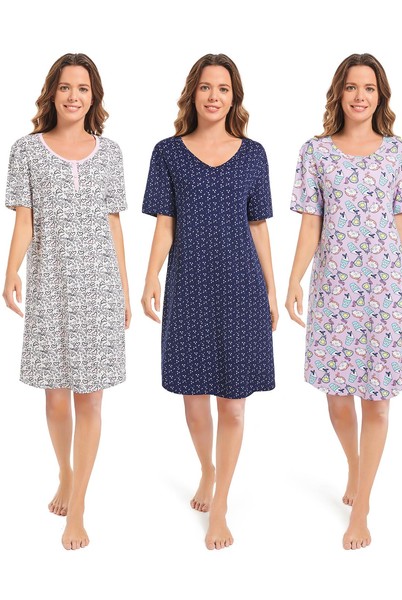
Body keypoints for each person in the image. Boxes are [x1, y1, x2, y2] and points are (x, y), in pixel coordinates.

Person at [286, 53, 402, 550]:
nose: (360, 96)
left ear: (380, 95)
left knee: (378, 403)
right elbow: (311, 222)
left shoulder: (399, 153)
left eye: (369, 88)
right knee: (338, 398)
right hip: (335, 290)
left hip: (387, 291)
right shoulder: (316, 152)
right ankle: (355, 464)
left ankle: (362, 505)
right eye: (351, 87)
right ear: (339, 94)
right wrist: (294, 279)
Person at [141, 53, 277, 550]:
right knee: (194, 401)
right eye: (205, 87)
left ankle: (220, 503)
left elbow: (258, 226)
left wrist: (271, 288)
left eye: (222, 88)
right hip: (189, 285)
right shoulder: (168, 153)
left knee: (234, 408)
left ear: (233, 97)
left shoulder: (254, 154)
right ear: (192, 94)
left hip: (241, 287)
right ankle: (207, 468)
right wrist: (151, 275)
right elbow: (165, 223)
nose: (214, 96)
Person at [2, 53, 130, 551]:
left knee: (90, 398)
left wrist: (124, 288)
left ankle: (78, 507)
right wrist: (11, 270)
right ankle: (65, 472)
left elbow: (114, 224)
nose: (73, 96)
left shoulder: (111, 152)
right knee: (55, 396)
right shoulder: (26, 150)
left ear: (93, 96)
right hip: (50, 287)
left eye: (82, 88)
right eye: (65, 87)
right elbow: (25, 220)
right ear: (52, 93)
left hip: (99, 287)